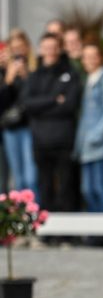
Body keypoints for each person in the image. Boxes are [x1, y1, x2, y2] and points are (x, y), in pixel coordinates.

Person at [21, 33, 81, 213]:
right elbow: (27, 104)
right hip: (40, 140)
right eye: (46, 47)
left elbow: (69, 105)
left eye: (53, 47)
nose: (50, 52)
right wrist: (54, 99)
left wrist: (42, 105)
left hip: (64, 140)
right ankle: (48, 232)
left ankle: (67, 234)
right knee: (44, 187)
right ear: (40, 49)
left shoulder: (70, 73)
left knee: (65, 188)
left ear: (59, 49)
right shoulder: (34, 76)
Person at [73, 43, 103, 215]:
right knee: (88, 190)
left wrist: (94, 136)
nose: (90, 60)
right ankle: (95, 232)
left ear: (99, 58)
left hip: (101, 147)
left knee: (101, 189)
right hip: (86, 148)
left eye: (93, 56)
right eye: (86, 56)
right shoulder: (87, 81)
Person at [0, 30, 38, 194]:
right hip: (10, 127)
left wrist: (25, 77)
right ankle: (22, 214)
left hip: (29, 126)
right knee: (18, 177)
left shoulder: (35, 70)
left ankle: (35, 212)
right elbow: (2, 102)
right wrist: (8, 79)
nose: (18, 52)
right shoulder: (4, 73)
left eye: (21, 48)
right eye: (14, 49)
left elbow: (34, 98)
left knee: (31, 176)